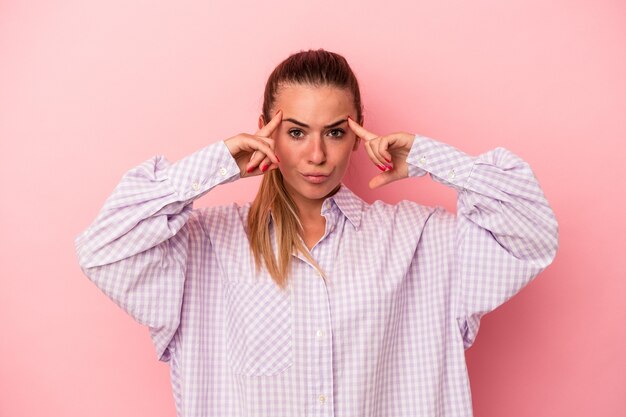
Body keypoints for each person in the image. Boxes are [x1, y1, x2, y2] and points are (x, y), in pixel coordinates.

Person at [74, 49, 559, 417]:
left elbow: (532, 232)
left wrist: (431, 160)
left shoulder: (420, 242)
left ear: (358, 134)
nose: (317, 156)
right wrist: (216, 164)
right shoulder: (204, 247)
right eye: (297, 131)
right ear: (265, 130)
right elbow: (103, 251)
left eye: (334, 131)